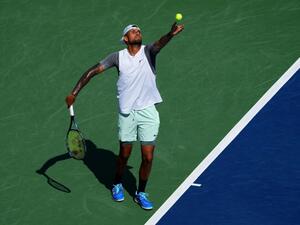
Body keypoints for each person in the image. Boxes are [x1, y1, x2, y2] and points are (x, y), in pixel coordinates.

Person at [65, 22, 184, 210]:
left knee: (148, 157)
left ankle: (141, 193)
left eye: (139, 30)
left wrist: (171, 34)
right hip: (127, 113)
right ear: (125, 39)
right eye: (132, 31)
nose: (137, 32)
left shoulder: (149, 52)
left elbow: (160, 43)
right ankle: (117, 183)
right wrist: (74, 92)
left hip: (148, 112)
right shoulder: (117, 58)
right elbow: (92, 72)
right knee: (124, 155)